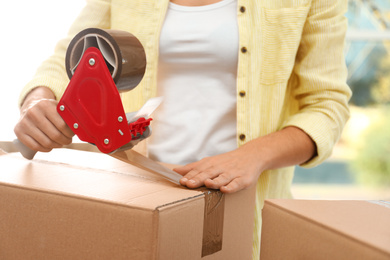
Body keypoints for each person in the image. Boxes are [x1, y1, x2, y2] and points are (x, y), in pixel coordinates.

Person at [14, 0, 352, 259]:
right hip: (134, 203)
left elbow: (327, 105)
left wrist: (253, 156)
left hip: (240, 213)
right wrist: (38, 100)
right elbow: (67, 60)